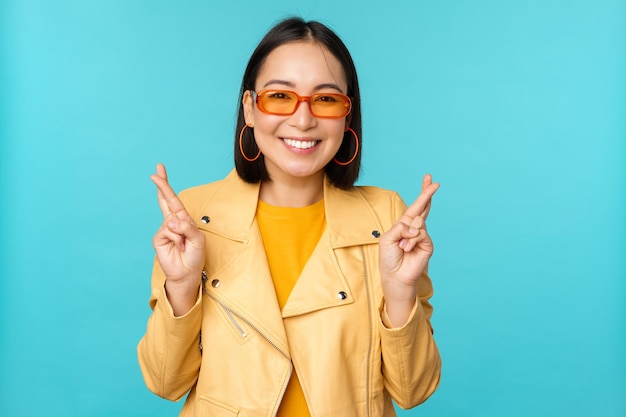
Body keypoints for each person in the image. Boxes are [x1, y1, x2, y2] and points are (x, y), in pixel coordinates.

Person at [138, 17, 441, 417]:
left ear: (347, 116)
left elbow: (413, 391)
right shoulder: (196, 217)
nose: (302, 120)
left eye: (326, 99)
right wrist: (181, 287)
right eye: (280, 96)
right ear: (249, 108)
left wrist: (400, 293)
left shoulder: (387, 217)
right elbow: (165, 382)